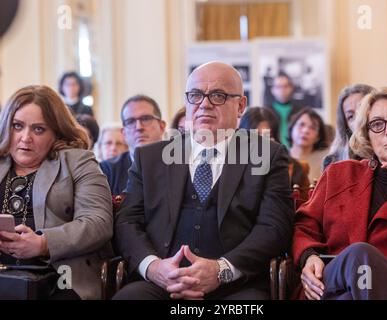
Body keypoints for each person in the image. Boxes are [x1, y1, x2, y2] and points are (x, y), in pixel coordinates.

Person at [113, 61, 293, 300]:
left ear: (240, 106)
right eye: (195, 95)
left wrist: (221, 270)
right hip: (161, 284)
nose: (204, 104)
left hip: (235, 285)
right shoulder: (150, 158)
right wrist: (154, 268)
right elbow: (127, 222)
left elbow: (274, 227)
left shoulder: (267, 155)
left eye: (218, 95)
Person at [292, 87, 387, 300]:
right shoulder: (339, 174)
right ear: (367, 135)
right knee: (360, 255)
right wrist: (308, 256)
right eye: (377, 124)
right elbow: (304, 226)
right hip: (332, 284)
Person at [0, 85, 113, 300]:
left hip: (58, 279)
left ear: (56, 131)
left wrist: (44, 243)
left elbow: (98, 222)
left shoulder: (79, 161)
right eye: (17, 126)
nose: (25, 137)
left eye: (38, 129)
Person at [99, 95, 166, 195]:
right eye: (130, 122)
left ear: (161, 127)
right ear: (124, 133)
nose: (139, 127)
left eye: (146, 118)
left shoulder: (179, 166)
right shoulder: (107, 170)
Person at [239, 106, 310, 199]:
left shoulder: (295, 167)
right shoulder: (231, 166)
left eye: (267, 136)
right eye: (256, 136)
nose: (261, 142)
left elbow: (303, 207)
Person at [323, 84, 374, 169]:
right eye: (350, 116)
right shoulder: (333, 161)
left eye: (362, 110)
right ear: (346, 126)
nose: (358, 119)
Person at [288, 108, 329, 182]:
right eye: (301, 125)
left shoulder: (325, 160)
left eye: (312, 128)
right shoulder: (279, 156)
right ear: (292, 128)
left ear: (318, 137)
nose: (305, 131)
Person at [267, 73, 304, 148]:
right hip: (273, 153)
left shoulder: (301, 111)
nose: (282, 90)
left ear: (291, 88)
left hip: (296, 152)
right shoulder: (266, 112)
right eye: (278, 87)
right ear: (272, 90)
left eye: (285, 86)